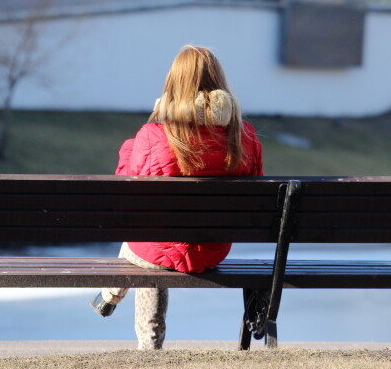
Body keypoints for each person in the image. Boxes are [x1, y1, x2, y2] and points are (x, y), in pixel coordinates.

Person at [90, 45, 264, 350]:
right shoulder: (244, 135)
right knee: (152, 246)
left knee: (146, 250)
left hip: (157, 251)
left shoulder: (153, 134)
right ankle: (108, 295)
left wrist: (130, 146)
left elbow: (126, 191)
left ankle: (126, 316)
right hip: (212, 249)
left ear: (173, 85)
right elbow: (258, 188)